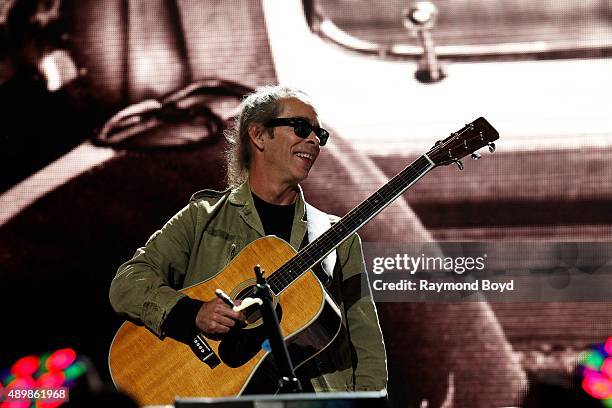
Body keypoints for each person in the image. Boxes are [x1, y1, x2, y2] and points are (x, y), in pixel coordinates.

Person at [109, 85, 388, 393]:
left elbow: (366, 340)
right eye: (301, 127)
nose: (313, 140)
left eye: (319, 135)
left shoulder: (339, 237)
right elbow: (128, 282)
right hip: (218, 392)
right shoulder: (202, 216)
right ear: (258, 135)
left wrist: (369, 403)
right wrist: (192, 314)